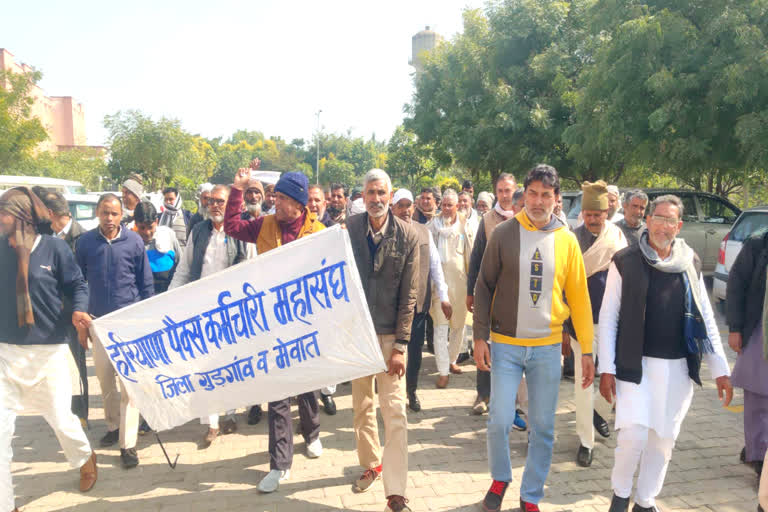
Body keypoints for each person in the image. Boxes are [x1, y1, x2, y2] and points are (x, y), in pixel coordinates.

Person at [599, 195, 732, 512]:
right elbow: (608, 318)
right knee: (633, 434)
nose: (663, 226)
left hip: (677, 370)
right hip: (634, 366)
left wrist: (721, 370)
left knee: (663, 440)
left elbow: (707, 319)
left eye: (670, 220)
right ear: (647, 220)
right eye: (658, 218)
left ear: (679, 226)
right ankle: (619, 495)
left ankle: (645, 500)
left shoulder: (691, 262)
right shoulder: (626, 261)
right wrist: (607, 368)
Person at [474, 164, 595, 512]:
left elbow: (580, 299)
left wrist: (586, 349)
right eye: (532, 194)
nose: (538, 201)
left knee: (542, 427)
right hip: (506, 345)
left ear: (556, 199)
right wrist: (480, 336)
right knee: (498, 420)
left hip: (546, 347)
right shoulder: (505, 234)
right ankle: (500, 478)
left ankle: (531, 495)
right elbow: (483, 286)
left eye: (546, 195)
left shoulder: (567, 240)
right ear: (523, 195)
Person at [224, 170, 325, 493]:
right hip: (272, 323)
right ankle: (280, 464)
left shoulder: (320, 232)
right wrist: (237, 191)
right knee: (277, 393)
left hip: (307, 323)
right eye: (275, 197)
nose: (274, 202)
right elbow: (232, 227)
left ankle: (312, 434)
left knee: (308, 385)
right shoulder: (265, 225)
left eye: (280, 198)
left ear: (296, 202)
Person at [0, 188, 98, 512]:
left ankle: (85, 457)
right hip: (5, 353)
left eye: (5, 212)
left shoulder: (54, 248)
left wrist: (78, 310)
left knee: (61, 419)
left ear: (23, 217)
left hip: (49, 349)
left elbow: (77, 285)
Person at [346, 169, 418, 512]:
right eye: (370, 193)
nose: (375, 199)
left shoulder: (408, 236)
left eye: (381, 193)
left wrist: (401, 346)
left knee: (395, 411)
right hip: (358, 336)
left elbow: (410, 296)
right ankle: (371, 464)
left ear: (390, 196)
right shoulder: (348, 231)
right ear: (362, 195)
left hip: (391, 338)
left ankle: (396, 490)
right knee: (362, 408)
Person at [75, 193, 154, 469]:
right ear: (97, 213)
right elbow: (79, 283)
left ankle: (128, 443)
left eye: (114, 214)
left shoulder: (133, 241)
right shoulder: (85, 243)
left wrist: (145, 319)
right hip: (97, 323)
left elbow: (145, 283)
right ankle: (112, 426)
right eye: (104, 213)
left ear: (123, 216)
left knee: (129, 386)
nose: (109, 218)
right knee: (106, 381)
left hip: (128, 323)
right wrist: (81, 318)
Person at [169, 184, 252, 445]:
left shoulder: (241, 232)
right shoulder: (199, 231)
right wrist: (169, 301)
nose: (215, 205)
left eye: (221, 201)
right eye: (212, 201)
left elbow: (252, 268)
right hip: (202, 310)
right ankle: (212, 423)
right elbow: (184, 269)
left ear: (231, 205)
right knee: (204, 367)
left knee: (230, 364)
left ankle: (229, 413)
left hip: (231, 311)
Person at [566, 181, 627, 467]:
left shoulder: (617, 238)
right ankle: (585, 441)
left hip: (612, 321)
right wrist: (566, 328)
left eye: (598, 214)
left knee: (614, 377)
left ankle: (597, 412)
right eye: (588, 214)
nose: (592, 219)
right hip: (580, 322)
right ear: (583, 213)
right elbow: (563, 285)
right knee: (583, 382)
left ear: (607, 213)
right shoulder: (571, 239)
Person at [466, 173, 527, 429]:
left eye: (509, 191)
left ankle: (517, 403)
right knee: (485, 341)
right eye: (500, 190)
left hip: (522, 297)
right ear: (495, 192)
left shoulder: (525, 217)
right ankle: (483, 394)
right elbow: (477, 258)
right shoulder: (488, 220)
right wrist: (471, 292)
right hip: (492, 294)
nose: (505, 195)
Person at [392, 188, 451, 413]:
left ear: (413, 208)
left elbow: (435, 266)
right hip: (392, 306)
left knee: (415, 352)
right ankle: (393, 394)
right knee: (393, 352)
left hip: (418, 305)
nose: (405, 210)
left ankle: (412, 391)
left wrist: (444, 297)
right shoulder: (386, 231)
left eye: (409, 205)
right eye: (401, 205)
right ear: (393, 208)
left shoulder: (424, 232)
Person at [35, 188, 90, 424]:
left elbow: (83, 281)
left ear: (49, 212)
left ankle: (80, 416)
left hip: (74, 314)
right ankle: (58, 412)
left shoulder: (84, 238)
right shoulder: (43, 237)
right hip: (48, 315)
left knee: (77, 368)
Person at [726, 228, 768, 482]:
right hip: (759, 329)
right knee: (757, 397)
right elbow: (736, 285)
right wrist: (735, 328)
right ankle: (758, 456)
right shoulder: (757, 244)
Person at [427, 189, 472, 388]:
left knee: (458, 327)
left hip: (460, 285)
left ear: (457, 206)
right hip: (437, 286)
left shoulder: (465, 225)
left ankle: (452, 360)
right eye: (443, 205)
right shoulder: (431, 227)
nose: (445, 209)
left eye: (449, 205)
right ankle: (443, 371)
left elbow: (471, 255)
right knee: (440, 328)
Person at [134, 201, 182, 294]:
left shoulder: (168, 236)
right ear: (136, 224)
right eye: (142, 228)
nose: (147, 232)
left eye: (150, 227)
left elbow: (181, 265)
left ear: (156, 221)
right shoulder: (132, 244)